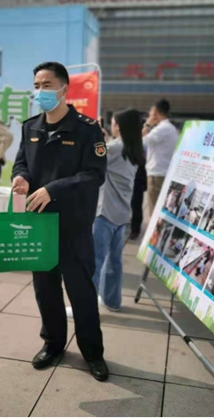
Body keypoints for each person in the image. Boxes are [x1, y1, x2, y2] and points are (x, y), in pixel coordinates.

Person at [11, 62, 108, 382]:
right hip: (39, 225)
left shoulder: (87, 129)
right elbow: (21, 164)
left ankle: (92, 352)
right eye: (36, 85)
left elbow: (94, 175)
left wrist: (53, 189)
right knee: (45, 289)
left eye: (47, 85)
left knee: (81, 292)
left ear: (64, 89)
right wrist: (21, 178)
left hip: (73, 225)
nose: (40, 91)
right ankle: (53, 344)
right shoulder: (30, 128)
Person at [92, 108, 144, 312]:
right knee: (114, 261)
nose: (112, 126)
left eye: (113, 123)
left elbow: (92, 156)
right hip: (121, 214)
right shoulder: (134, 149)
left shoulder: (113, 148)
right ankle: (112, 300)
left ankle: (86, 308)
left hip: (105, 213)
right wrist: (103, 140)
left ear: (119, 126)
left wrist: (95, 136)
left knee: (94, 262)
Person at [142, 99, 178, 214]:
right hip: (165, 173)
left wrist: (147, 124)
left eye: (150, 112)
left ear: (155, 112)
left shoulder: (161, 129)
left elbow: (142, 140)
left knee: (154, 213)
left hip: (157, 176)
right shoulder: (171, 128)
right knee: (162, 212)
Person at [129, 163, 147, 240]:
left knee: (136, 204)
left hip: (138, 175)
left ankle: (135, 230)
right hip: (129, 172)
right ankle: (134, 229)